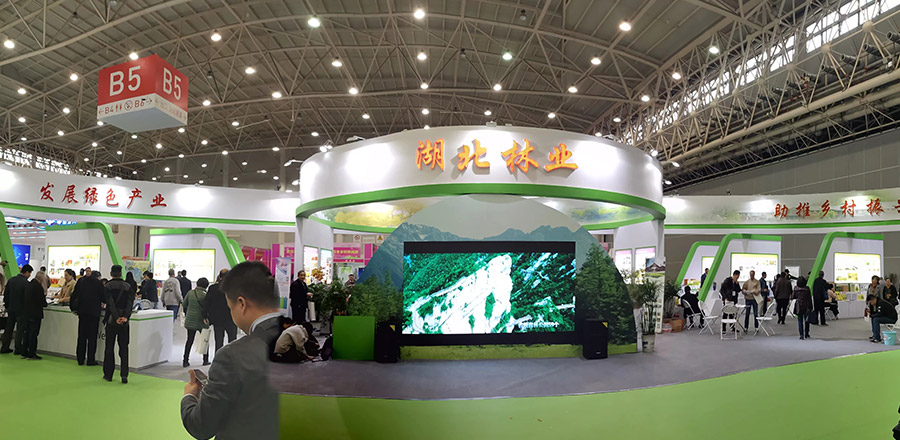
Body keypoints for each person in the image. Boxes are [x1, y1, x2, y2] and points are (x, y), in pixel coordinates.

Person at [181, 261, 281, 440]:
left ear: (241, 304)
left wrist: (189, 397)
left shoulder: (231, 357)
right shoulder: (306, 341)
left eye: (230, 307)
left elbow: (201, 426)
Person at [103, 265, 135, 383]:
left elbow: (110, 303)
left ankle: (108, 374)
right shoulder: (128, 286)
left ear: (111, 273)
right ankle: (124, 375)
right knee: (124, 348)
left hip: (112, 320)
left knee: (109, 348)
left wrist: (116, 317)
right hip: (124, 322)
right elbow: (130, 304)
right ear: (121, 273)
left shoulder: (108, 286)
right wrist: (125, 317)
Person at [70, 267, 104, 366]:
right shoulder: (98, 283)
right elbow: (104, 297)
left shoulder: (81, 281)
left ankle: (80, 359)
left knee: (82, 336)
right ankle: (90, 360)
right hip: (94, 313)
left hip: (82, 312)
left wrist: (73, 308)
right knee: (92, 338)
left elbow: (74, 295)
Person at [0, 264, 33, 355]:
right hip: (21, 310)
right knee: (20, 330)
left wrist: (7, 306)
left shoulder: (11, 280)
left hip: (11, 308)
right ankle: (18, 348)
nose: (29, 275)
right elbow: (27, 298)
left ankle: (5, 347)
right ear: (27, 272)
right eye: (30, 273)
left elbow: (6, 295)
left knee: (8, 329)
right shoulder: (26, 283)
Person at [205, 269, 237, 353]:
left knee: (218, 342)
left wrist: (205, 315)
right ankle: (232, 358)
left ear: (219, 277)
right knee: (233, 341)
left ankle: (219, 359)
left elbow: (207, 302)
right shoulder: (234, 288)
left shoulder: (213, 288)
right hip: (231, 318)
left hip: (217, 319)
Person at [183, 277, 211, 368]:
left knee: (189, 340)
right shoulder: (206, 295)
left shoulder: (190, 293)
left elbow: (184, 304)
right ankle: (205, 360)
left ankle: (185, 360)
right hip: (202, 321)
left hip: (191, 320)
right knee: (204, 340)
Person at [21, 271, 49, 359]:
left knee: (27, 333)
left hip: (27, 313)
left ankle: (24, 352)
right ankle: (32, 353)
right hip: (35, 314)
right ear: (41, 279)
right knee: (33, 334)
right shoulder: (38, 287)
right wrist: (45, 302)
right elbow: (42, 301)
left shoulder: (29, 285)